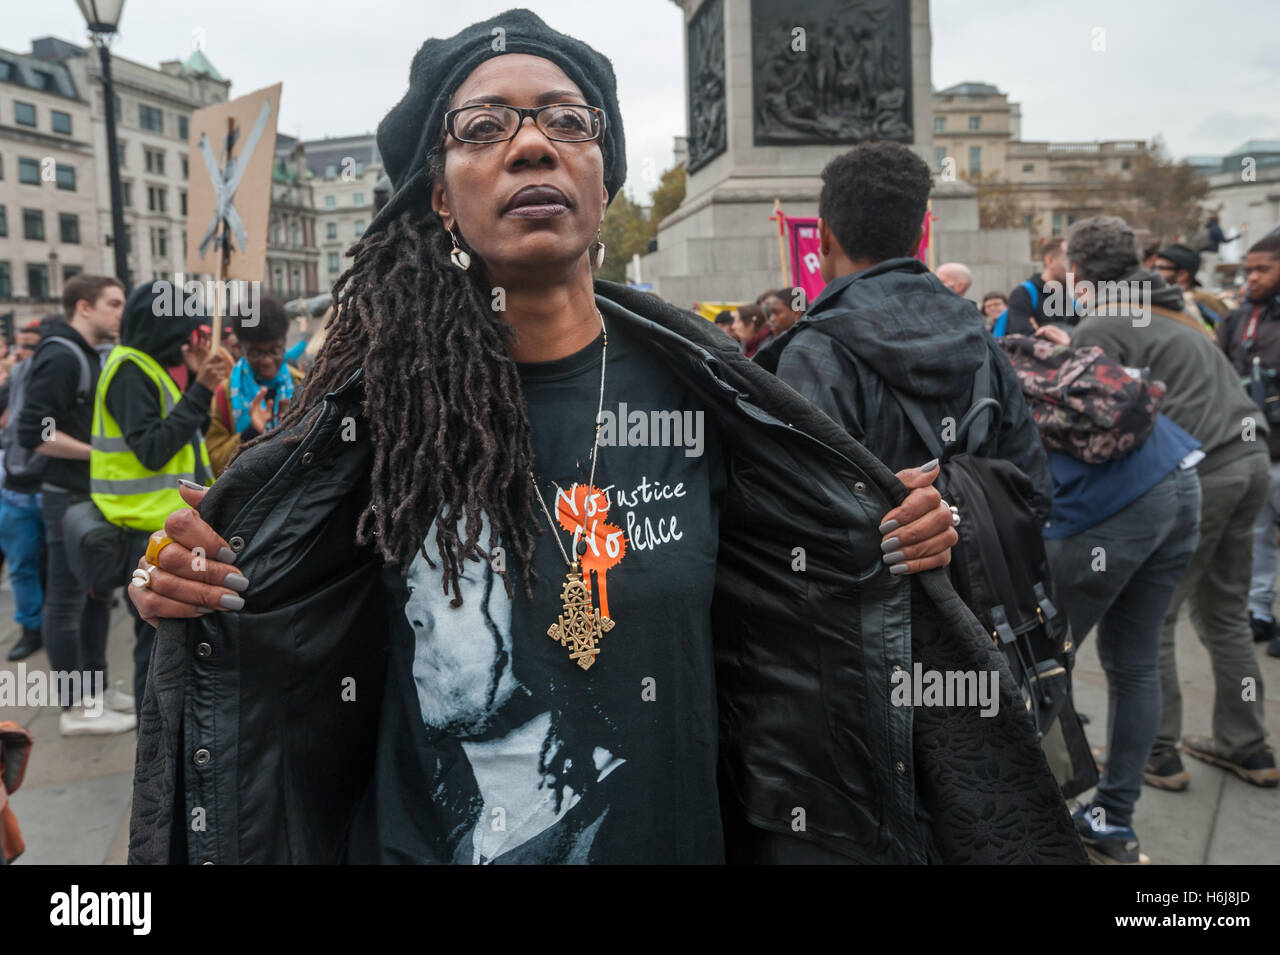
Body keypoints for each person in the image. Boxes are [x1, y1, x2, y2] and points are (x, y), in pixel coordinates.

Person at [125, 11, 1082, 866]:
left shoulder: (711, 394)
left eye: (566, 120)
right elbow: (266, 637)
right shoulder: (370, 415)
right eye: (484, 127)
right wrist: (176, 592)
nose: (532, 144)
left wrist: (899, 541)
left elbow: (810, 622)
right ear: (437, 197)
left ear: (604, 178)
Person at [1055, 216, 1278, 792]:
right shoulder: (1173, 303)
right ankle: (1247, 746)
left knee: (1151, 624)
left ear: (1078, 270)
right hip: (1251, 458)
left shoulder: (1102, 322)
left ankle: (1158, 755)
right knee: (1225, 611)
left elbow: (1088, 426)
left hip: (1200, 468)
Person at [757, 140, 1053, 522]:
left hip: (885, 581)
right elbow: (1036, 491)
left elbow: (803, 519)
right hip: (990, 575)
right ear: (918, 239)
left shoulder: (814, 352)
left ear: (824, 236)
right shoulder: (981, 338)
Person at [1013, 329, 1202, 863]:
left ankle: (1029, 821)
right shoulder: (1030, 349)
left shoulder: (967, 373)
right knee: (1135, 663)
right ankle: (1113, 820)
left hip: (1107, 510)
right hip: (1179, 475)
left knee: (1040, 666)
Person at [92, 281, 230, 718]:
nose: (193, 341)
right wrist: (202, 387)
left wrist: (193, 375)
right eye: (187, 332)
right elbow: (153, 449)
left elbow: (182, 436)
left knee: (168, 640)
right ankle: (152, 735)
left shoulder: (146, 366)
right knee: (156, 642)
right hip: (143, 531)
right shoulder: (130, 369)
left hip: (165, 524)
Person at [17, 276, 136, 734]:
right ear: (83, 307)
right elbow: (36, 432)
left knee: (95, 597)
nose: (120, 313)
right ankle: (76, 707)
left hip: (84, 497)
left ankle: (96, 691)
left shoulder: (82, 353)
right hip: (67, 498)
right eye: (113, 303)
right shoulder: (63, 355)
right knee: (66, 604)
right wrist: (100, 454)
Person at [1218, 235, 1280, 660]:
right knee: (1256, 537)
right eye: (1248, 270)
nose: (1252, 278)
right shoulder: (1236, 320)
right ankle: (1259, 611)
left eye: (1262, 269)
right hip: (1251, 452)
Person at [205, 295, 304, 477]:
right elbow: (214, 462)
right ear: (243, 348)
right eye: (256, 353)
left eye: (274, 350)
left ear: (284, 343)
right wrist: (250, 433)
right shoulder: (223, 393)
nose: (266, 361)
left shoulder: (304, 385)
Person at [0, 321, 48, 662]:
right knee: (22, 566)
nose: (22, 354)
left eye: (31, 347)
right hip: (15, 491)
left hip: (51, 489)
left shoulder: (57, 379)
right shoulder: (14, 379)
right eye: (19, 346)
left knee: (56, 567)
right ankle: (32, 628)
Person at [1153, 243, 1231, 329]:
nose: (1154, 273)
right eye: (1154, 267)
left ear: (1182, 275)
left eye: (1160, 268)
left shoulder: (1202, 300)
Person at [1002, 237, 1068, 335]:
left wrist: (1041, 332)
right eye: (1068, 260)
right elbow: (1022, 340)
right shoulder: (1023, 294)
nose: (1074, 266)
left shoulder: (1074, 294)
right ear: (1050, 260)